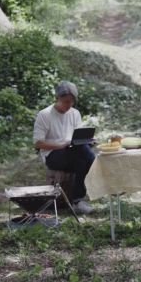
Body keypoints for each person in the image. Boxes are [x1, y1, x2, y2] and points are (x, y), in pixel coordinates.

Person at [33, 81, 96, 214]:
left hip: (72, 151)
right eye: (65, 101)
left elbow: (77, 138)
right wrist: (62, 145)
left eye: (71, 102)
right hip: (52, 155)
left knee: (81, 159)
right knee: (84, 154)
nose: (68, 105)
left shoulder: (75, 113)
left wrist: (87, 140)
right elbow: (38, 143)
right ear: (57, 98)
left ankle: (77, 201)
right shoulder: (44, 115)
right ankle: (100, 173)